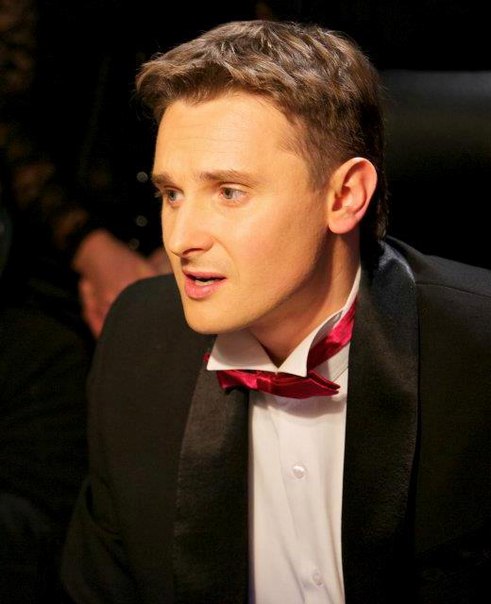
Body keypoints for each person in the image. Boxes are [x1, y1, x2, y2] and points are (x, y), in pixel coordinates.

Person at [60, 19, 491, 603]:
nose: (181, 239)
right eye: (171, 194)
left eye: (229, 192)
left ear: (345, 196)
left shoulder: (476, 351)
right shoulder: (140, 339)